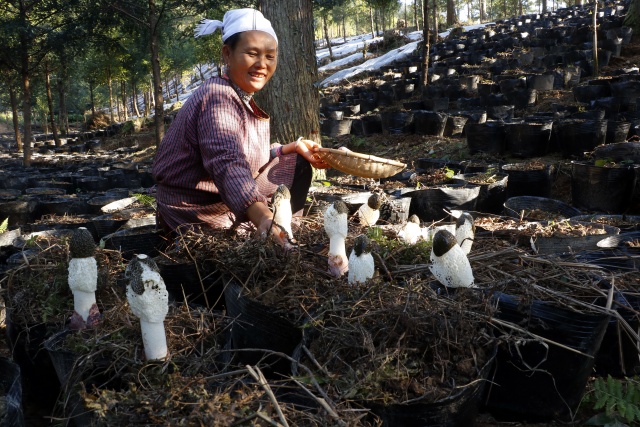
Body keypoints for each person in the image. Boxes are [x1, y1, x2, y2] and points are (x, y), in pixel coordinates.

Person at [152, 8, 329, 248]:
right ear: (227, 53)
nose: (262, 64)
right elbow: (227, 161)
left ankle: (286, 232)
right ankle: (271, 234)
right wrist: (265, 217)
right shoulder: (217, 96)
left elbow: (243, 155)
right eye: (252, 53)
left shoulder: (238, 94)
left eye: (270, 56)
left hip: (220, 197)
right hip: (194, 210)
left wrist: (289, 148)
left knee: (296, 163)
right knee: (252, 228)